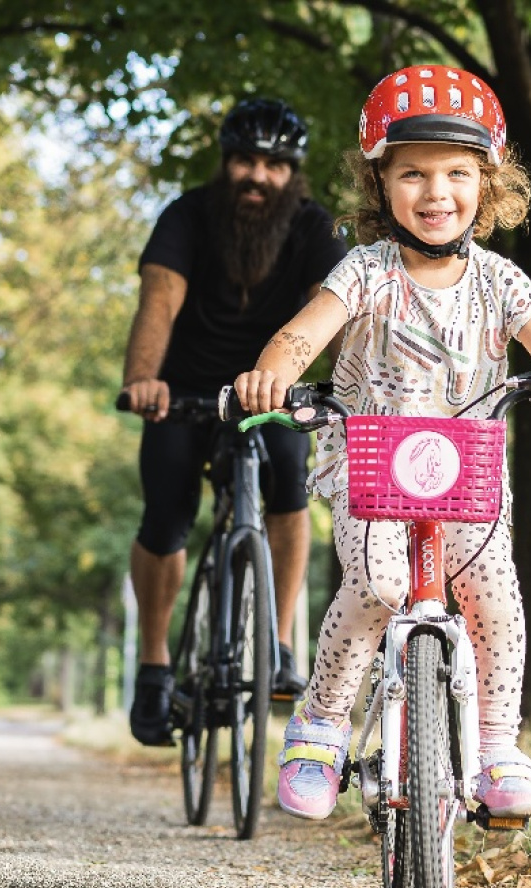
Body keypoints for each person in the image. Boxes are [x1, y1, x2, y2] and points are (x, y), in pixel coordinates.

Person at [233, 65, 531, 820]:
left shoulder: (502, 282)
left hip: (466, 474)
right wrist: (269, 375)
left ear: (489, 183)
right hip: (371, 468)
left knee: (495, 601)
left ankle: (497, 750)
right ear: (382, 184)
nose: (435, 192)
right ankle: (319, 726)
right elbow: (299, 335)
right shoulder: (367, 271)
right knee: (378, 583)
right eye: (412, 173)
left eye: (456, 173)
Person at [121, 98, 348, 746]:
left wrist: (349, 389)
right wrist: (143, 378)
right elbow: (158, 302)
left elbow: (327, 315)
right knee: (164, 515)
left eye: (274, 165)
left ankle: (277, 646)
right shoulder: (187, 216)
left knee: (287, 480)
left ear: (292, 173)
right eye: (247, 161)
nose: (258, 176)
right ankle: (156, 665)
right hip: (185, 388)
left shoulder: (311, 228)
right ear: (227, 164)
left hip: (272, 391)